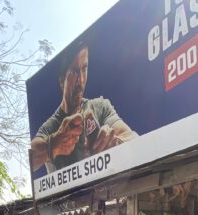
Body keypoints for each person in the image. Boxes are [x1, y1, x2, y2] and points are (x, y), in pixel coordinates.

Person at [29, 41, 137, 177]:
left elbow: (133, 139)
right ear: (62, 81)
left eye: (84, 69)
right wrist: (53, 144)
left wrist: (115, 143)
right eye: (74, 71)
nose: (80, 80)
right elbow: (31, 158)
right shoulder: (50, 127)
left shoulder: (101, 107)